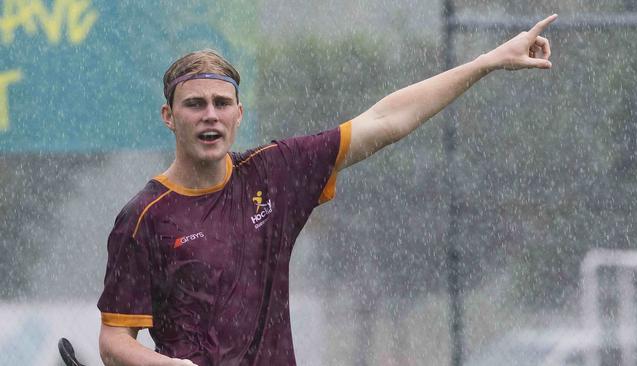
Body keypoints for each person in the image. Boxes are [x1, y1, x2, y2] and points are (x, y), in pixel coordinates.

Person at [97, 14, 558, 366]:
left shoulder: (273, 172)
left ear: (239, 114)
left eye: (221, 103)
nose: (209, 115)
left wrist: (488, 62)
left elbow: (385, 120)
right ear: (168, 116)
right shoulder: (145, 217)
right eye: (194, 104)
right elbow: (114, 341)